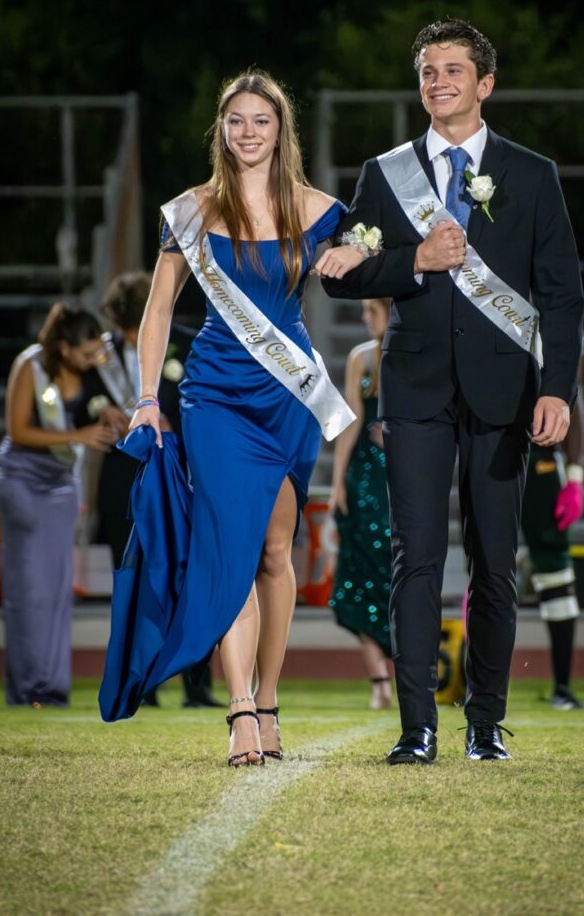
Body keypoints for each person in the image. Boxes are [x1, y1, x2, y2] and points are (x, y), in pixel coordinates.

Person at [318, 18, 584, 762]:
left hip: (506, 394)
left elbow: (562, 297)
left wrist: (557, 388)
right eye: (428, 71)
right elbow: (347, 275)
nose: (439, 82)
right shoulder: (383, 172)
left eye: (454, 70)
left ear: (485, 83)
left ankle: (484, 724)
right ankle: (417, 728)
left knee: (497, 561)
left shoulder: (532, 174)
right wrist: (416, 260)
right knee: (417, 558)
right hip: (415, 388)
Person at [98, 70, 361, 767]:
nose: (248, 132)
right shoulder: (190, 210)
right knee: (232, 552)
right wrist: (148, 396)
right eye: (236, 121)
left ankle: (269, 700)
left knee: (279, 554)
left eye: (261, 121)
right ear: (222, 130)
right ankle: (238, 708)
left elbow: (379, 246)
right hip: (214, 396)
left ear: (282, 130)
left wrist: (362, 248)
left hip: (289, 399)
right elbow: (157, 310)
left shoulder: (322, 208)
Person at [79, 271, 221, 707]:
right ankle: (146, 684)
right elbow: (85, 393)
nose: (124, 333)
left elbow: (204, 393)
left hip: (181, 470)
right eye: (120, 325)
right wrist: (100, 411)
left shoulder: (186, 339)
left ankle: (198, 687)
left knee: (190, 574)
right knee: (138, 578)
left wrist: (173, 420)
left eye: (131, 321)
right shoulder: (100, 354)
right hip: (126, 476)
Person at [0, 304, 115, 706]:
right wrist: (79, 437)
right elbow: (17, 430)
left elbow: (94, 417)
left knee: (57, 591)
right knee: (28, 589)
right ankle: (27, 687)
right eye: (85, 353)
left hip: (62, 486)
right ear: (64, 347)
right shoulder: (29, 365)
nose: (91, 360)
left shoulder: (88, 373)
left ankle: (50, 687)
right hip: (22, 480)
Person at [329, 298, 393, 710]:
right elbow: (351, 421)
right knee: (359, 577)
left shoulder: (415, 350)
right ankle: (379, 681)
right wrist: (337, 483)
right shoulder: (360, 359)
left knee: (397, 575)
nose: (365, 318)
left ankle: (406, 675)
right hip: (365, 478)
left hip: (401, 479)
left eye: (373, 310)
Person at [521, 398, 584, 710]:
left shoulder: (550, 348)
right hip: (486, 456)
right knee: (481, 572)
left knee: (556, 576)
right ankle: (476, 684)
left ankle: (563, 685)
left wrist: (574, 477)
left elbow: (573, 400)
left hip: (541, 460)